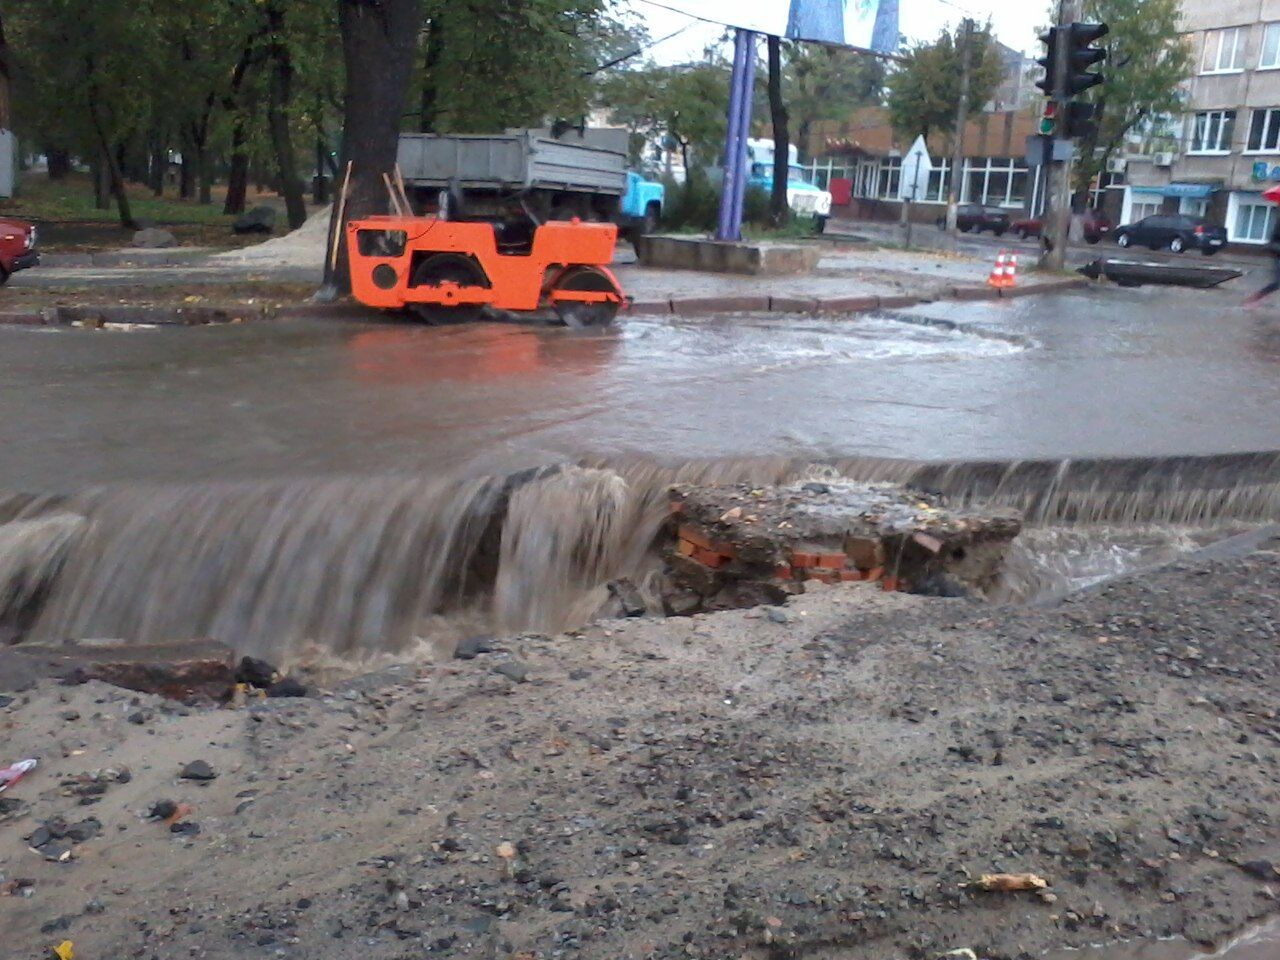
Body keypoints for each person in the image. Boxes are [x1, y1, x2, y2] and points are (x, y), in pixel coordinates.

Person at [1244, 213, 1280, 306]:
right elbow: (1275, 238)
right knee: (1277, 283)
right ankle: (1253, 299)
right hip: (1278, 255)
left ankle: (1254, 299)